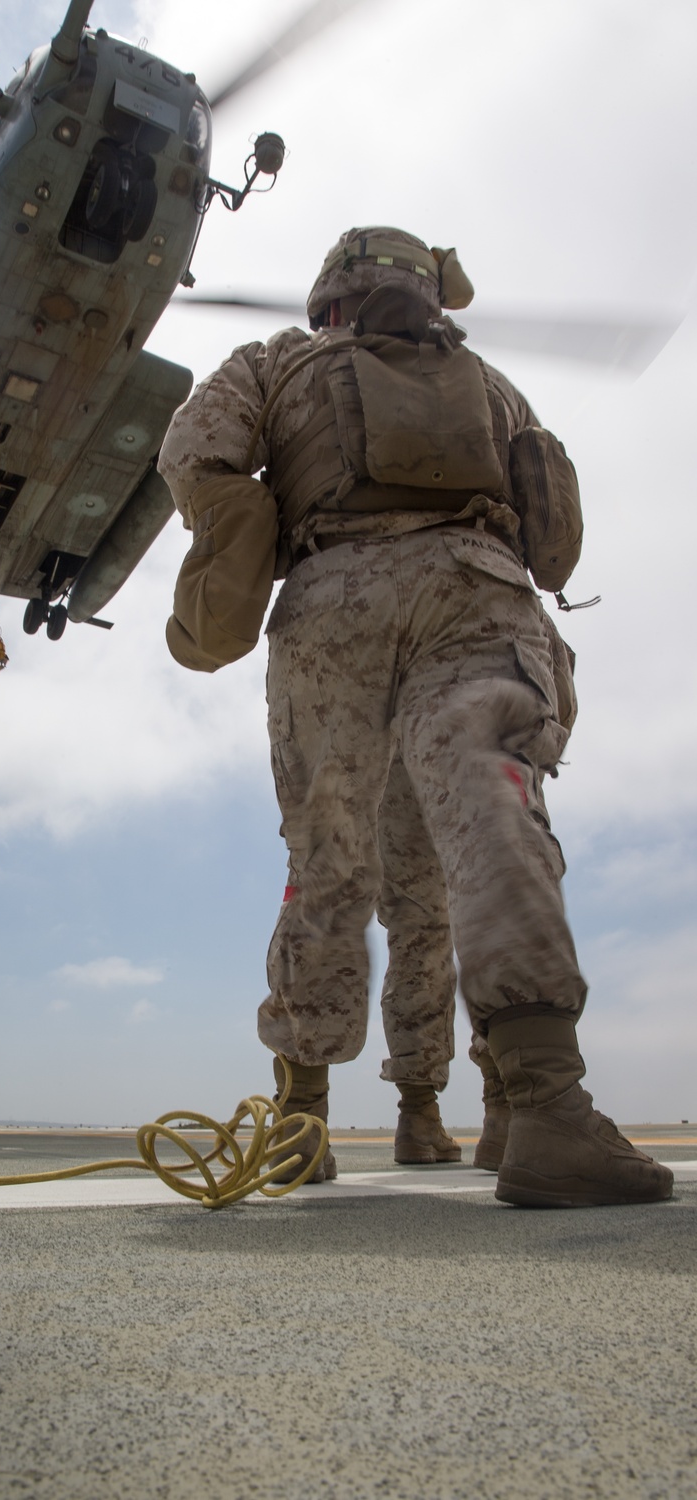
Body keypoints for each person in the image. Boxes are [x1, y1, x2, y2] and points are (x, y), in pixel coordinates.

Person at [158, 226, 672, 1208]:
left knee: (325, 862)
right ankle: (540, 1110)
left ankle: (300, 1122)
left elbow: (198, 452)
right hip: (474, 588)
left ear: (331, 301)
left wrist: (225, 560)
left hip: (329, 601)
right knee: (490, 817)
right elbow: (553, 541)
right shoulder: (490, 386)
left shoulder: (274, 362)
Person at [380, 609, 578, 1171]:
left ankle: (417, 1118)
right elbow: (555, 693)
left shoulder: (361, 558)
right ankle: (504, 1112)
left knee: (416, 930)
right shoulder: (496, 575)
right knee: (493, 903)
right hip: (476, 742)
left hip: (391, 770)